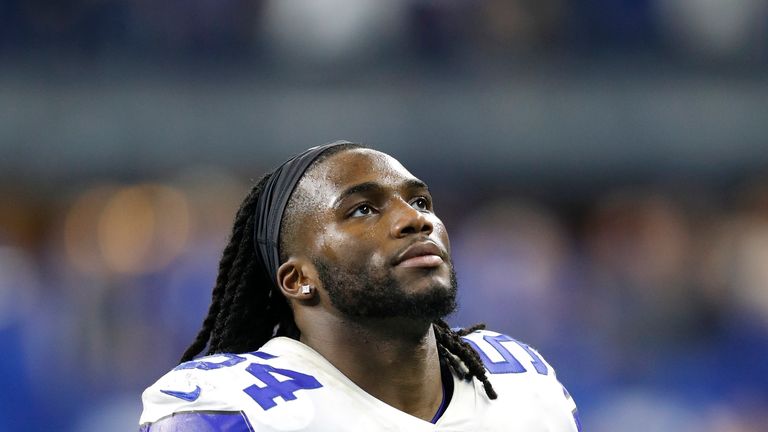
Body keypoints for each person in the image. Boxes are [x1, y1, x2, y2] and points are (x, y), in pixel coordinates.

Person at [139, 141, 581, 431]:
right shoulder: (233, 411)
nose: (415, 219)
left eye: (421, 201)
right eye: (363, 209)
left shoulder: (523, 385)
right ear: (299, 279)